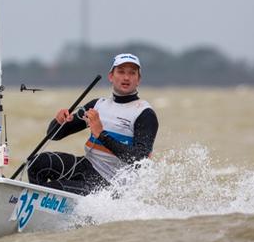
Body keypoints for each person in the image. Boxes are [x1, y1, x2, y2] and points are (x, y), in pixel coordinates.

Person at [27, 53, 159, 195]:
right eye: (121, 72)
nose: (126, 78)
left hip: (111, 185)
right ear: (111, 76)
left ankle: (43, 205)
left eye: (132, 73)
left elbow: (140, 158)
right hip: (87, 167)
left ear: (138, 79)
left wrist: (101, 134)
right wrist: (58, 121)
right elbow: (53, 135)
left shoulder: (144, 113)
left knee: (54, 188)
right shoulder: (97, 105)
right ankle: (34, 207)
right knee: (37, 163)